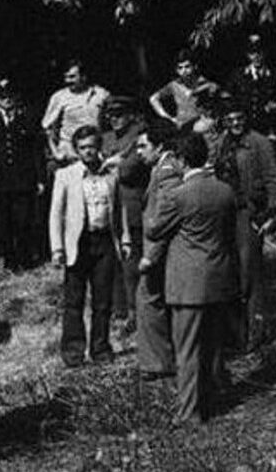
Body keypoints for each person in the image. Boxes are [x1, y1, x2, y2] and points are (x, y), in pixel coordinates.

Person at [147, 132, 239, 425]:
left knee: (187, 351)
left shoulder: (178, 195)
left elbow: (153, 229)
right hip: (218, 278)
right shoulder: (225, 191)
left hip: (187, 284)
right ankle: (213, 401)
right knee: (212, 348)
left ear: (182, 160)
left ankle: (189, 413)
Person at [49, 125, 131, 367]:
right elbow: (56, 213)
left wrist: (124, 239)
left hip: (104, 240)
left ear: (99, 148)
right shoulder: (66, 175)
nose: (88, 152)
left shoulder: (110, 174)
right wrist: (58, 248)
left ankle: (101, 349)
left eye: (92, 147)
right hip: (78, 243)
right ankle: (74, 352)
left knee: (102, 300)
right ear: (76, 150)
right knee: (74, 300)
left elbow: (120, 210)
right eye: (83, 148)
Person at [212, 100, 276, 350]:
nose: (235, 124)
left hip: (249, 212)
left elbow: (273, 178)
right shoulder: (221, 143)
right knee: (229, 272)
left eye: (239, 118)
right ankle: (235, 334)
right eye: (229, 119)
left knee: (249, 273)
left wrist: (273, 211)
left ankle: (255, 331)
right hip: (225, 213)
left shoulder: (259, 143)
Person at [0, 80, 45, 270]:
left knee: (23, 220)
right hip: (1, 180)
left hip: (24, 178)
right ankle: (10, 259)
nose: (6, 100)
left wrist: (40, 178)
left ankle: (25, 256)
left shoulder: (27, 118)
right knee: (3, 221)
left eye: (9, 96)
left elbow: (36, 150)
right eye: (2, 97)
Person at [134, 121, 182, 379]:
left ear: (159, 146)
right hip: (162, 250)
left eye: (143, 146)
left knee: (147, 299)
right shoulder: (160, 169)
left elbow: (165, 217)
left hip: (162, 251)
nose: (139, 152)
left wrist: (150, 256)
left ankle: (157, 363)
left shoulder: (166, 172)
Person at [101, 96, 147, 330]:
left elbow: (129, 170)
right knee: (114, 263)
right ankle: (119, 309)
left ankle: (136, 312)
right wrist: (115, 161)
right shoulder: (106, 138)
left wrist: (115, 163)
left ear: (130, 115)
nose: (114, 119)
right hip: (108, 208)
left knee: (133, 265)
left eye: (119, 114)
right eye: (110, 115)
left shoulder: (139, 137)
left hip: (133, 208)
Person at [42, 60, 111, 167]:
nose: (68, 81)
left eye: (72, 77)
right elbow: (48, 128)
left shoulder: (101, 94)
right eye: (66, 77)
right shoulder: (59, 97)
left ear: (83, 77)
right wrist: (56, 153)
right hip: (70, 156)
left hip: (95, 154)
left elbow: (109, 122)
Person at [225, 34, 276, 141]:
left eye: (259, 52)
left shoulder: (274, 76)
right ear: (247, 55)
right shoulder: (238, 76)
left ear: (265, 53)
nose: (256, 56)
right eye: (252, 53)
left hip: (267, 129)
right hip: (244, 128)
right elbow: (228, 101)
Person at [149, 49, 219, 131]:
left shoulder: (205, 83)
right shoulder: (174, 85)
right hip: (182, 127)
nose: (184, 71)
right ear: (176, 70)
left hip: (202, 126)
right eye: (180, 68)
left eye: (187, 66)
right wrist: (168, 118)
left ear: (194, 66)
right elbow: (153, 99)